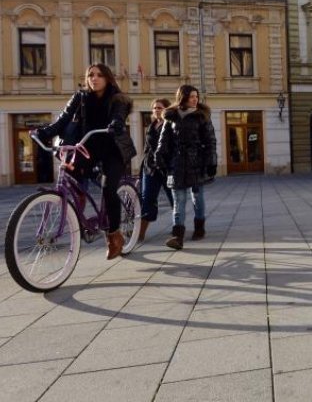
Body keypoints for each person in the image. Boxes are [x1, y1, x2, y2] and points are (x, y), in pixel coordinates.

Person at [33, 63, 136, 260]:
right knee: (72, 176)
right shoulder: (80, 97)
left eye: (99, 75)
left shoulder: (117, 99)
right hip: (87, 148)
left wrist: (116, 124)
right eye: (90, 75)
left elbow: (118, 116)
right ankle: (80, 220)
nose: (94, 78)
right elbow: (62, 120)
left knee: (108, 189)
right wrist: (44, 132)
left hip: (112, 149)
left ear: (107, 78)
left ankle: (114, 234)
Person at [156, 85, 217, 250]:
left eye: (196, 96)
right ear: (182, 98)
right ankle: (177, 236)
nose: (195, 99)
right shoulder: (171, 117)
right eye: (191, 96)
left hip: (196, 162)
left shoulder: (202, 116)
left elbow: (210, 141)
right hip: (176, 165)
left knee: (197, 198)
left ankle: (199, 228)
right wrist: (159, 157)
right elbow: (164, 141)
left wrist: (211, 161)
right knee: (179, 200)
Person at [138, 98, 174, 242]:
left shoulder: (171, 125)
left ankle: (177, 228)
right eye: (154, 108)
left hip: (166, 168)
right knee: (147, 199)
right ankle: (140, 233)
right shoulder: (151, 126)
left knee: (174, 199)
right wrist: (144, 165)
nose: (156, 110)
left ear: (166, 109)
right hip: (150, 168)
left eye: (159, 107)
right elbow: (147, 148)